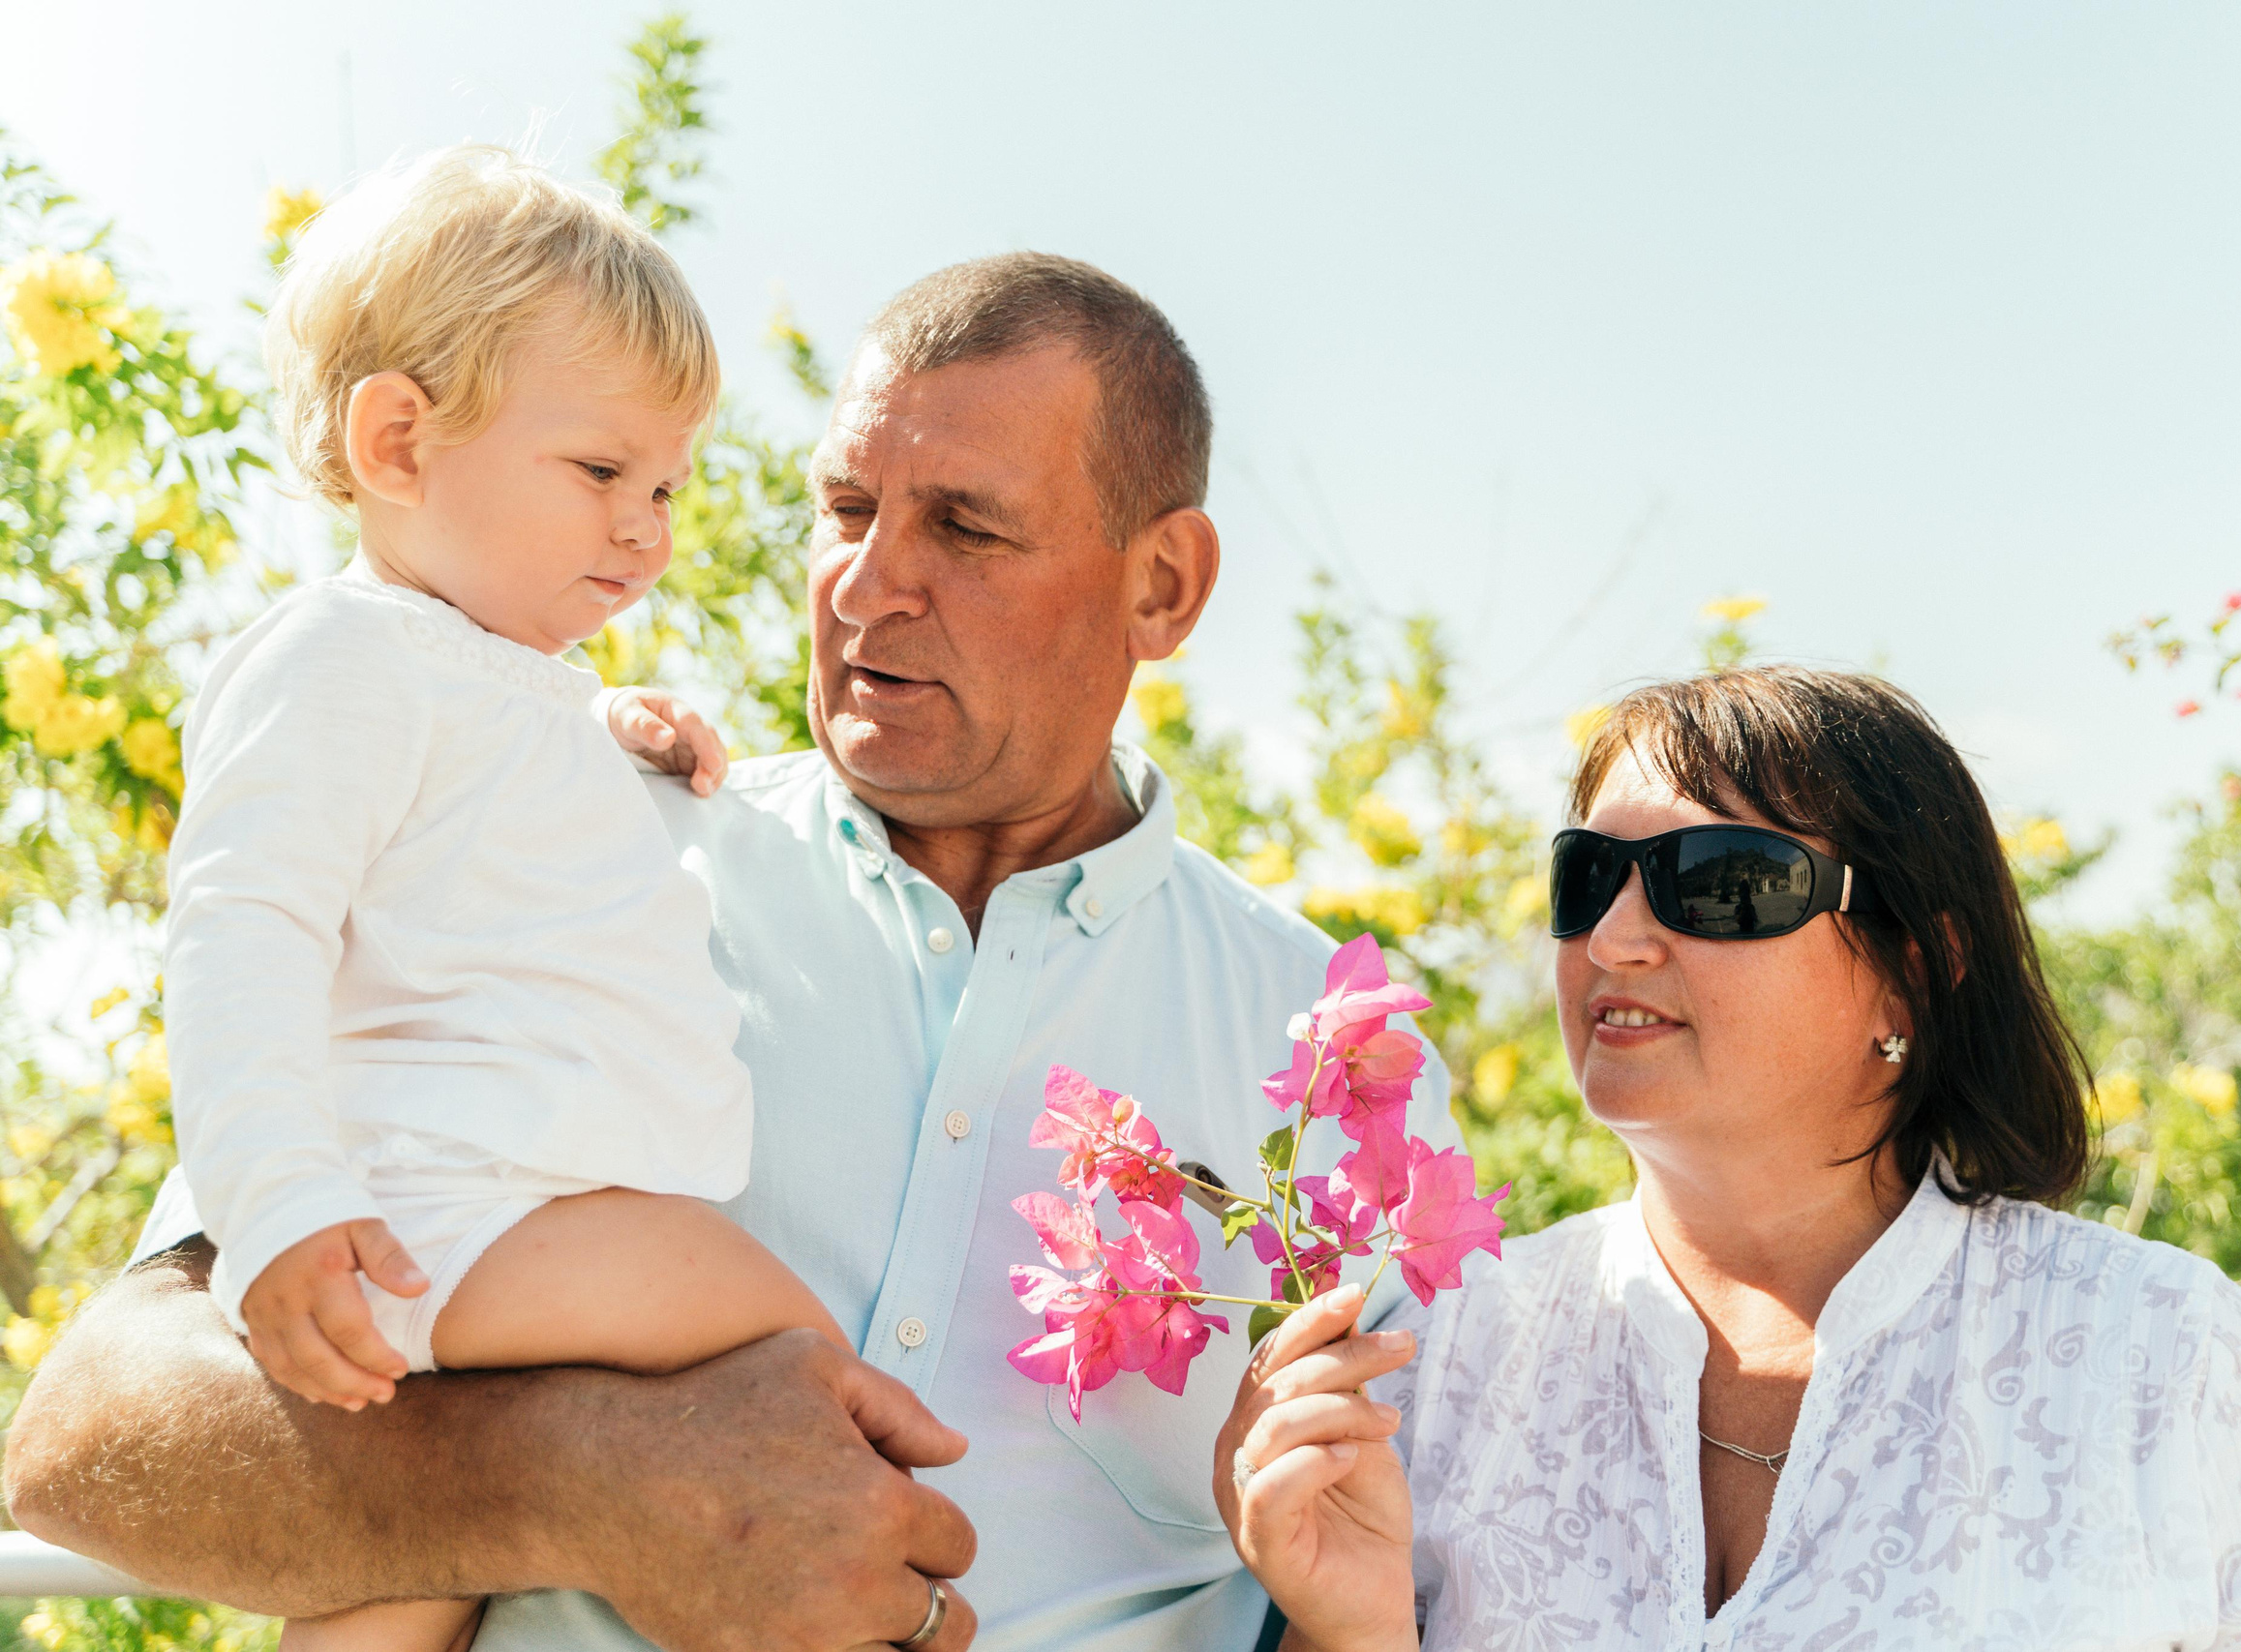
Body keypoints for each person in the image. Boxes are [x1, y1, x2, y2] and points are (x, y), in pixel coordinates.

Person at [5, 250, 1452, 1652]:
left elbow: (1403, 1601)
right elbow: (86, 1436)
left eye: (966, 528)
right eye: (844, 508)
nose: (864, 586)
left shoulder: (1345, 1069)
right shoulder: (564, 843)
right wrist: (585, 1487)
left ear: (1163, 587)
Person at [1217, 666, 2241, 1649]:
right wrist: (1354, 1636)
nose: (1617, 937)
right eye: (1589, 876)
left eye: (1721, 882)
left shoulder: (2158, 1358)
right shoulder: (1447, 1362)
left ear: (1914, 967)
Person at [172, 144, 861, 1652]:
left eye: (666, 486)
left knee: (413, 1576)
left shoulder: (488, 680)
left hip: (488, 1215)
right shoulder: (337, 658)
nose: (646, 528)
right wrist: (281, 1206)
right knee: (811, 1374)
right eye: (601, 472)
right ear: (399, 441)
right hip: (438, 1213)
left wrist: (602, 726)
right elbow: (244, 928)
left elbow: (471, 806)